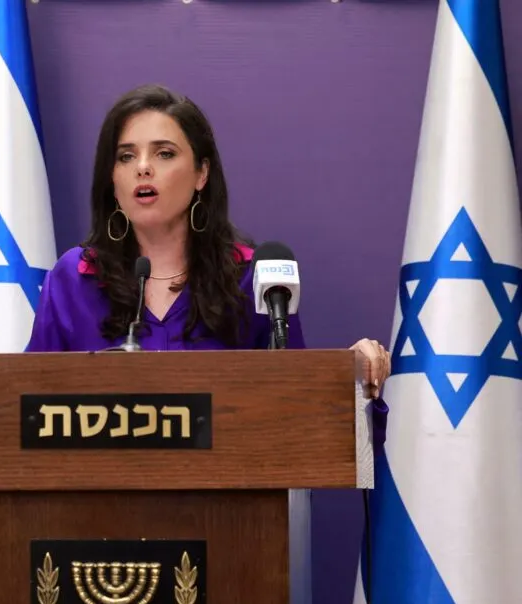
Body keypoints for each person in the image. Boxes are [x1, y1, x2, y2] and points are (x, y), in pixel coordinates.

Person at [24, 84, 391, 397]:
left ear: (202, 173)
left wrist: (354, 377)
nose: (142, 168)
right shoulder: (75, 277)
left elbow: (300, 404)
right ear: (112, 178)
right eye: (126, 156)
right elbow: (28, 404)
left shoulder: (251, 279)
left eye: (164, 153)